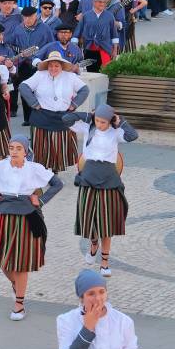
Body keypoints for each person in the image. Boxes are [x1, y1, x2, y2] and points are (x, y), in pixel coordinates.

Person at [0, 135, 64, 321]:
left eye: (18, 148)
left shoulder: (34, 168)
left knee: (22, 262)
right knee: (2, 261)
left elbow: (57, 183)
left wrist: (40, 200)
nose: (14, 151)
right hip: (4, 216)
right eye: (11, 147)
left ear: (26, 151)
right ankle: (17, 285)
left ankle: (19, 304)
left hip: (27, 217)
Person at [64, 105, 138, 276]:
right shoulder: (87, 127)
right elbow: (65, 119)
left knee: (106, 222)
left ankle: (104, 262)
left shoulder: (115, 132)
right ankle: (93, 244)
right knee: (88, 217)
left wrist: (121, 122)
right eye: (97, 120)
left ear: (110, 120)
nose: (100, 124)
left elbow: (133, 136)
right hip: (88, 176)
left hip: (109, 178)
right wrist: (88, 116)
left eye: (103, 121)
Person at [20, 51, 89, 174]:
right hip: (42, 116)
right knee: (42, 146)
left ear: (62, 66)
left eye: (56, 65)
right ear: (47, 66)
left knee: (59, 146)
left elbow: (84, 89)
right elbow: (23, 86)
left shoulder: (70, 77)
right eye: (51, 65)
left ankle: (55, 170)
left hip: (63, 117)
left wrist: (74, 105)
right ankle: (42, 170)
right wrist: (34, 103)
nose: (53, 68)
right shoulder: (40, 75)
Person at [5, 6, 56, 122]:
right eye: (25, 17)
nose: (28, 20)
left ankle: (41, 116)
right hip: (23, 64)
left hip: (39, 64)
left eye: (30, 17)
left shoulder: (45, 28)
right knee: (25, 89)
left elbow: (52, 45)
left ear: (35, 16)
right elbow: (10, 44)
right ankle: (27, 118)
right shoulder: (18, 28)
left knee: (40, 91)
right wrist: (19, 52)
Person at [74, 0, 118, 72]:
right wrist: (74, 47)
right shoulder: (86, 16)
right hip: (89, 49)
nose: (102, 4)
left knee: (105, 72)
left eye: (104, 2)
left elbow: (114, 34)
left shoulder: (110, 16)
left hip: (105, 49)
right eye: (100, 2)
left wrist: (115, 50)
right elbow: (77, 32)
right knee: (91, 72)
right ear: (94, 2)